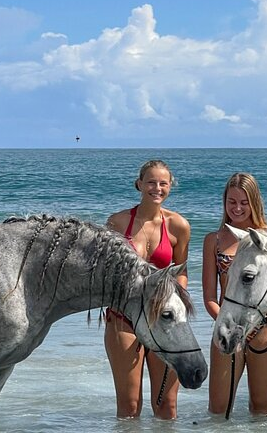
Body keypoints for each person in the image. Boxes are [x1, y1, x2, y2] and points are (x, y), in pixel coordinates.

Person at [202, 172, 267, 415]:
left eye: (244, 202)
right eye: (231, 201)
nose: (237, 208)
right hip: (228, 328)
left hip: (266, 332)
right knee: (218, 409)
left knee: (261, 408)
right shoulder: (213, 241)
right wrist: (229, 325)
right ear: (224, 202)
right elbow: (210, 298)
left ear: (255, 202)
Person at [105, 159, 191, 419]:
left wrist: (171, 300)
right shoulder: (118, 222)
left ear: (170, 187)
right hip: (124, 319)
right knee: (129, 407)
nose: (157, 188)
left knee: (167, 406)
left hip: (164, 321)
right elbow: (106, 272)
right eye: (151, 182)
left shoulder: (179, 226)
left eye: (163, 183)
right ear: (139, 184)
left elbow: (182, 272)